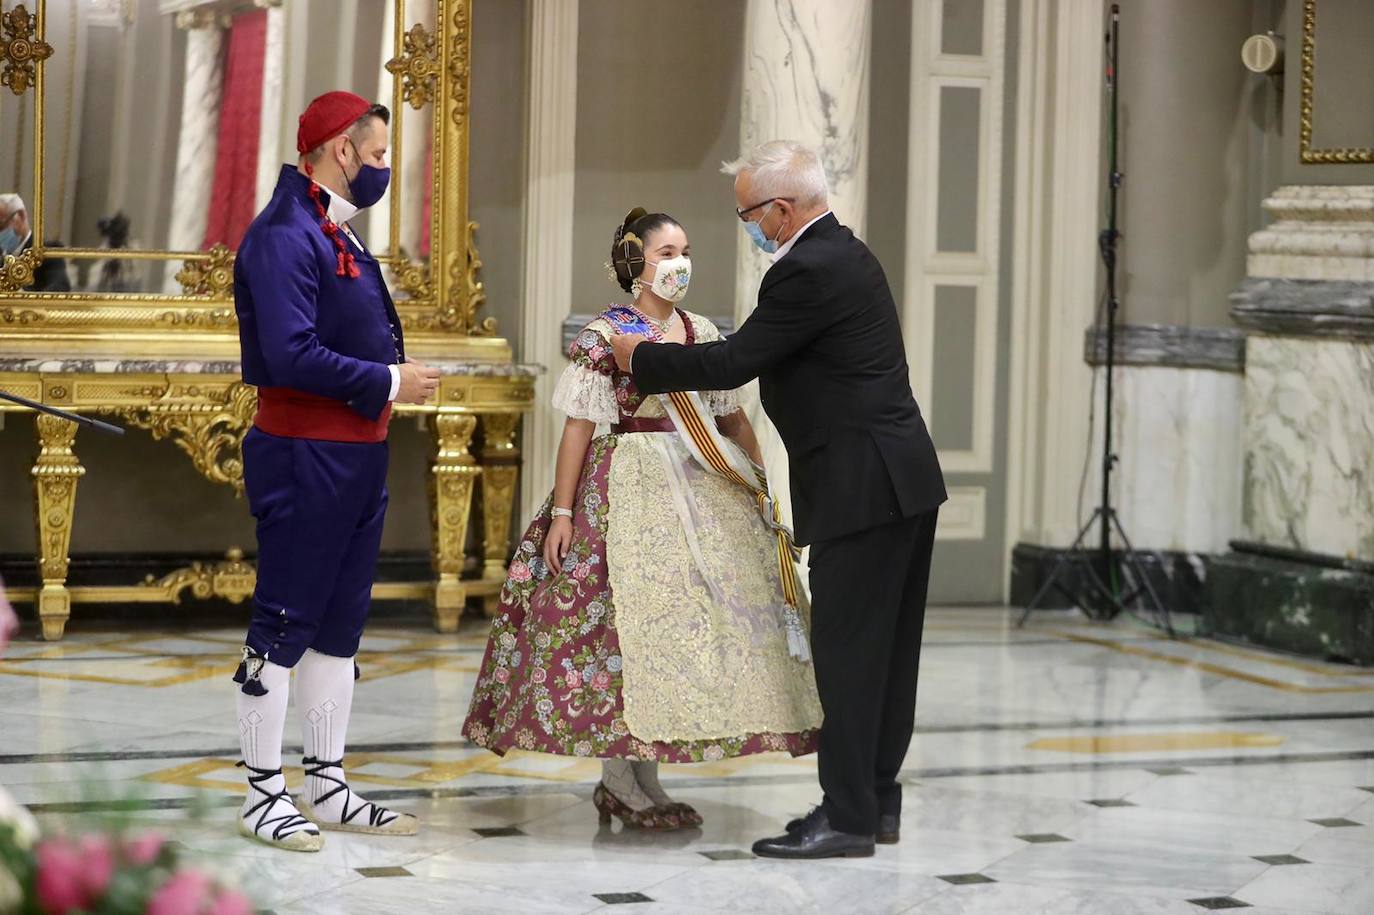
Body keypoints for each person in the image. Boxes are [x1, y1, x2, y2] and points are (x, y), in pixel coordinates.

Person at [612, 141, 947, 859]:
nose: (749, 228)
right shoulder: (848, 253)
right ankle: (877, 802)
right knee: (888, 656)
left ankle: (848, 816)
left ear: (782, 209)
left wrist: (641, 359)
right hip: (904, 478)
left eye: (748, 215)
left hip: (862, 486)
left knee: (850, 658)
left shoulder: (808, 270)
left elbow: (735, 359)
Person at [463, 207, 822, 830]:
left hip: (702, 481)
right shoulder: (607, 336)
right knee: (620, 635)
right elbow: (578, 428)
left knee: (679, 632)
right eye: (665, 252)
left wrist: (760, 484)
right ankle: (619, 781)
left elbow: (732, 418)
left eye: (685, 249)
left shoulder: (701, 329)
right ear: (636, 263)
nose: (679, 263)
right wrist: (565, 513)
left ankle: (645, 777)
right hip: (626, 485)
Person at [230, 90, 441, 851]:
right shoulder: (284, 234)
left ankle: (325, 780)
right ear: (341, 151)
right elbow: (287, 355)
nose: (383, 168)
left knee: (339, 631)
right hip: (303, 455)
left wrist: (389, 376)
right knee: (283, 623)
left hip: (356, 455)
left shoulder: (336, 232)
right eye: (379, 154)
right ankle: (261, 794)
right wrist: (391, 381)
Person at [0, 193, 72, 292]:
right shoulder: (1, 255)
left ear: (20, 216)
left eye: (1, 225)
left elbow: (60, 288)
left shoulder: (47, 252)